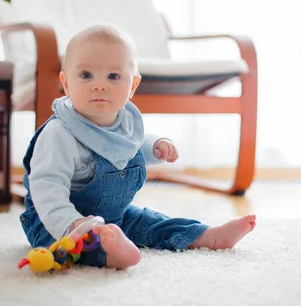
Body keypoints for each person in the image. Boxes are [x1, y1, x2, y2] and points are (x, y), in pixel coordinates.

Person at [19, 23, 256, 269]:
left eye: (113, 76)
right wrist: (71, 225)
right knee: (74, 248)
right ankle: (111, 254)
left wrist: (154, 146)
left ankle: (205, 235)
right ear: (66, 82)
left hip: (116, 215)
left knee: (152, 220)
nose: (99, 85)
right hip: (57, 220)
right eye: (86, 75)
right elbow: (47, 188)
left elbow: (129, 144)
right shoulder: (59, 133)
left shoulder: (124, 120)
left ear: (132, 86)